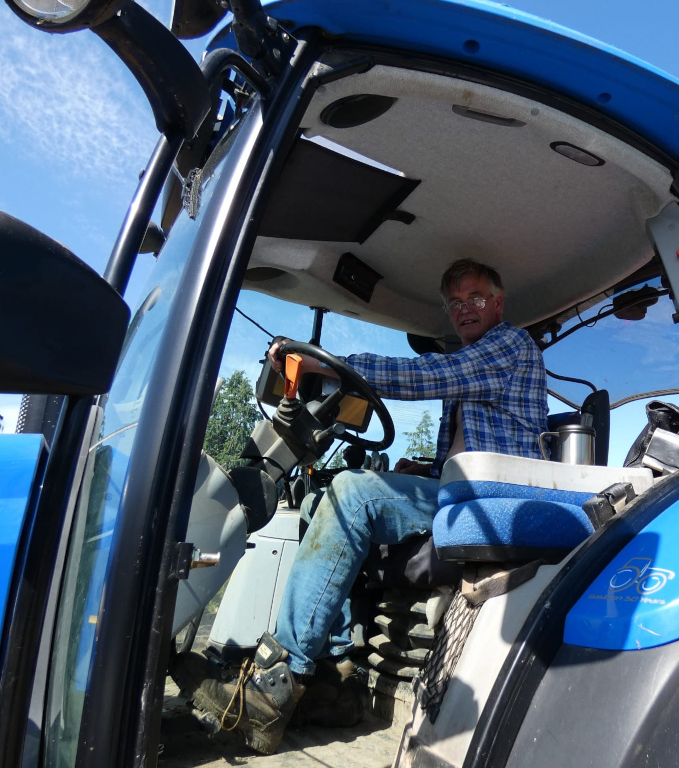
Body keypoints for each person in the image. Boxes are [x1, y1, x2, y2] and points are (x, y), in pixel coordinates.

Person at [188, 258, 548, 754]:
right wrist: (424, 467)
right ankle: (334, 676)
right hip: (462, 490)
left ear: (498, 304)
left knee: (355, 492)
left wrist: (331, 364)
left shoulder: (509, 345)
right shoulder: (477, 361)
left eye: (476, 298)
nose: (464, 309)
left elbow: (430, 377)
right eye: (455, 302)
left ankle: (279, 679)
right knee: (322, 495)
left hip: (499, 498)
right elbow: (461, 445)